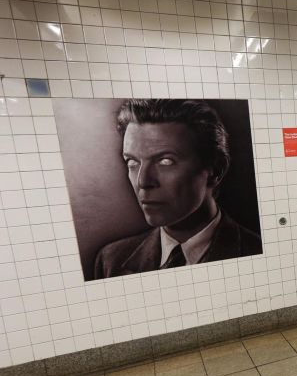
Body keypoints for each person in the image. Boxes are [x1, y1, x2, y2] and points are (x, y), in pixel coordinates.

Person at [93, 99, 262, 280]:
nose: (143, 181)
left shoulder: (257, 251)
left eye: (165, 161)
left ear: (215, 170)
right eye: (132, 162)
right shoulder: (110, 260)